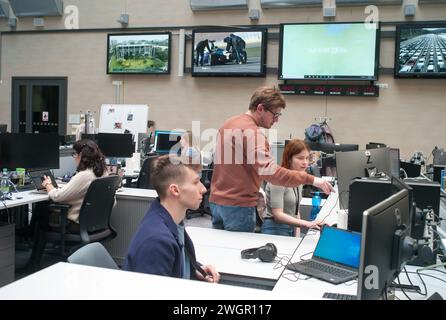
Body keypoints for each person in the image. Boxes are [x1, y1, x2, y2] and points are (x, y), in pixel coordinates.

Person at [209, 86, 334, 232]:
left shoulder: (228, 124)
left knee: (221, 249)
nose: (276, 120)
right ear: (260, 108)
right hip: (238, 206)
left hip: (216, 203)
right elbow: (271, 173)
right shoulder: (253, 133)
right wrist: (312, 179)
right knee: (238, 252)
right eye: (275, 115)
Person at [123, 155, 220, 283]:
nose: (203, 189)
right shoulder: (157, 241)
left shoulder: (173, 222)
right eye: (196, 182)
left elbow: (175, 262)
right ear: (175, 190)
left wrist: (195, 269)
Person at [25, 139, 108, 270]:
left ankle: (32, 260)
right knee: (42, 210)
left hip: (76, 224)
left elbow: (57, 196)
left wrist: (48, 185)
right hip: (94, 223)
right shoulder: (103, 172)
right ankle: (27, 236)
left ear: (82, 155)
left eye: (74, 154)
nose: (74, 157)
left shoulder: (84, 175)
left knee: (41, 212)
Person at [261, 139, 324, 237]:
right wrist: (308, 224)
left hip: (292, 227)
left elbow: (296, 210)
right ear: (289, 159)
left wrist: (297, 235)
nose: (305, 162)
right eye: (300, 158)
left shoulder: (299, 179)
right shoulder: (278, 179)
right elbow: (278, 215)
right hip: (275, 229)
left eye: (307, 158)